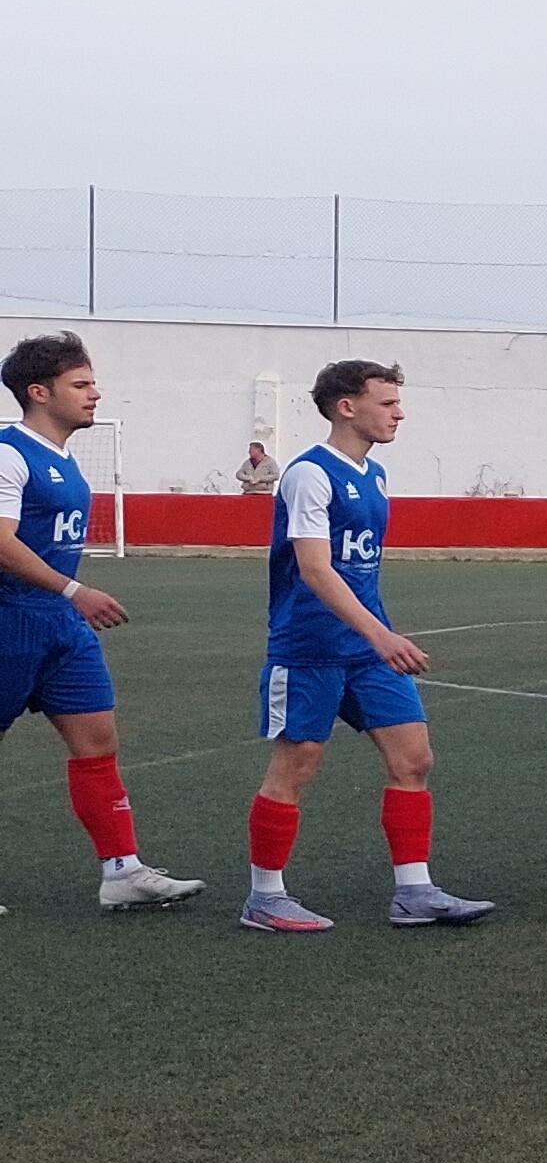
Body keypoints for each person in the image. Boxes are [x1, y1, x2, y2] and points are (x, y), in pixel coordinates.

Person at [241, 358, 491, 929]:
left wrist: (375, 632)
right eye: (387, 402)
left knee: (414, 758)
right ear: (346, 407)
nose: (399, 412)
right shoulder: (310, 473)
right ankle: (264, 897)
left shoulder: (373, 475)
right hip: (310, 648)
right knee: (296, 767)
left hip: (366, 649)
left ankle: (414, 892)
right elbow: (314, 568)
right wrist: (381, 633)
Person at [0, 332, 203, 916]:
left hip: (60, 628)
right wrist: (74, 589)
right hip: (11, 620)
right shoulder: (10, 453)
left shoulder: (65, 460)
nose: (95, 394)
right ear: (39, 393)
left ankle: (122, 871)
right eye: (81, 384)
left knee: (98, 742)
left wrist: (68, 600)